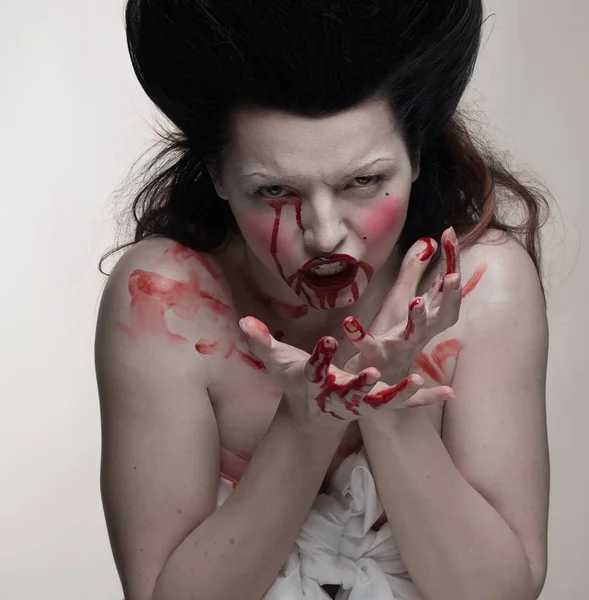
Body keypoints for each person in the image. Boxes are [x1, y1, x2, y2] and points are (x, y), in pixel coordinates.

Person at [95, 1, 551, 599]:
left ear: (416, 158)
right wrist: (305, 427)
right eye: (275, 189)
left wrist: (387, 408)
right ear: (219, 177)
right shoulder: (164, 301)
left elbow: (499, 594)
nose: (324, 231)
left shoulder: (484, 284)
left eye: (363, 181)